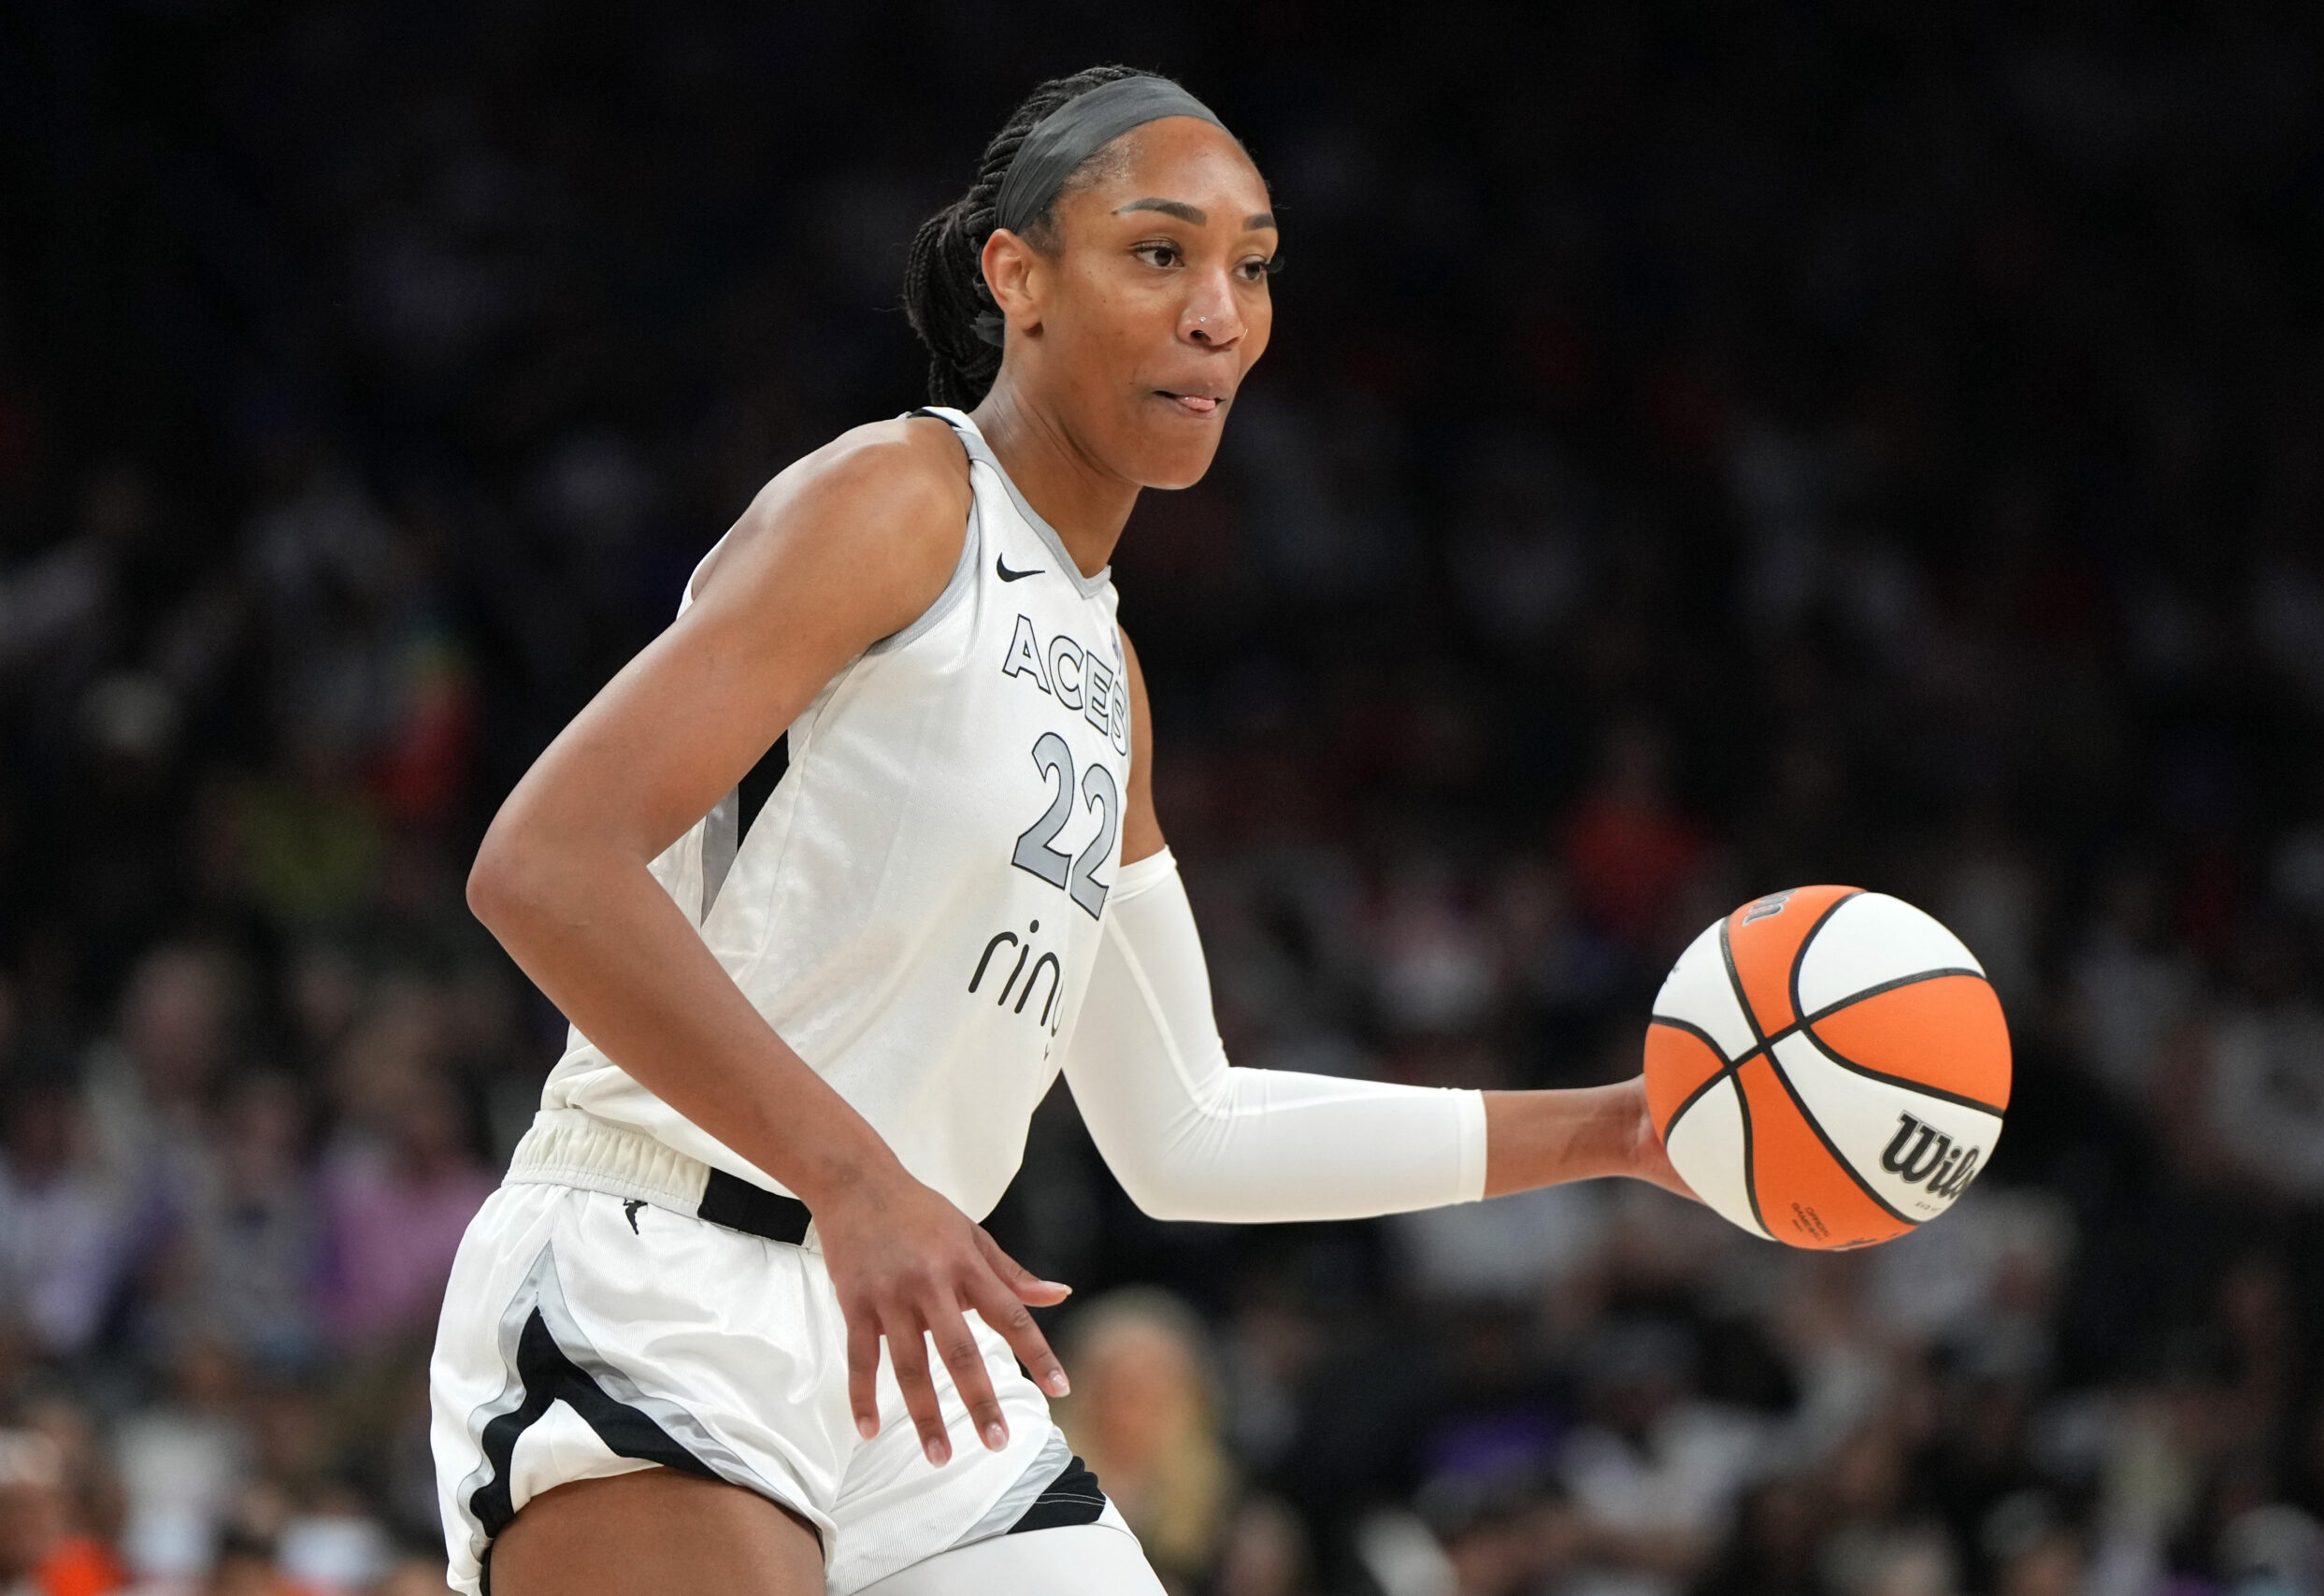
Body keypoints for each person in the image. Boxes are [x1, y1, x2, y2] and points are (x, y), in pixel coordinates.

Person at [431, 65, 1691, 1596]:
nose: (1218, 311)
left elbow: (1184, 1128)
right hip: (665, 1278)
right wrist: (859, 1178)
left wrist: (1621, 1129)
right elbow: (544, 865)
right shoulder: (898, 501)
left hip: (911, 1351)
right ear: (1015, 277)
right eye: (1160, 253)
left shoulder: (1106, 673)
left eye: (1253, 265)